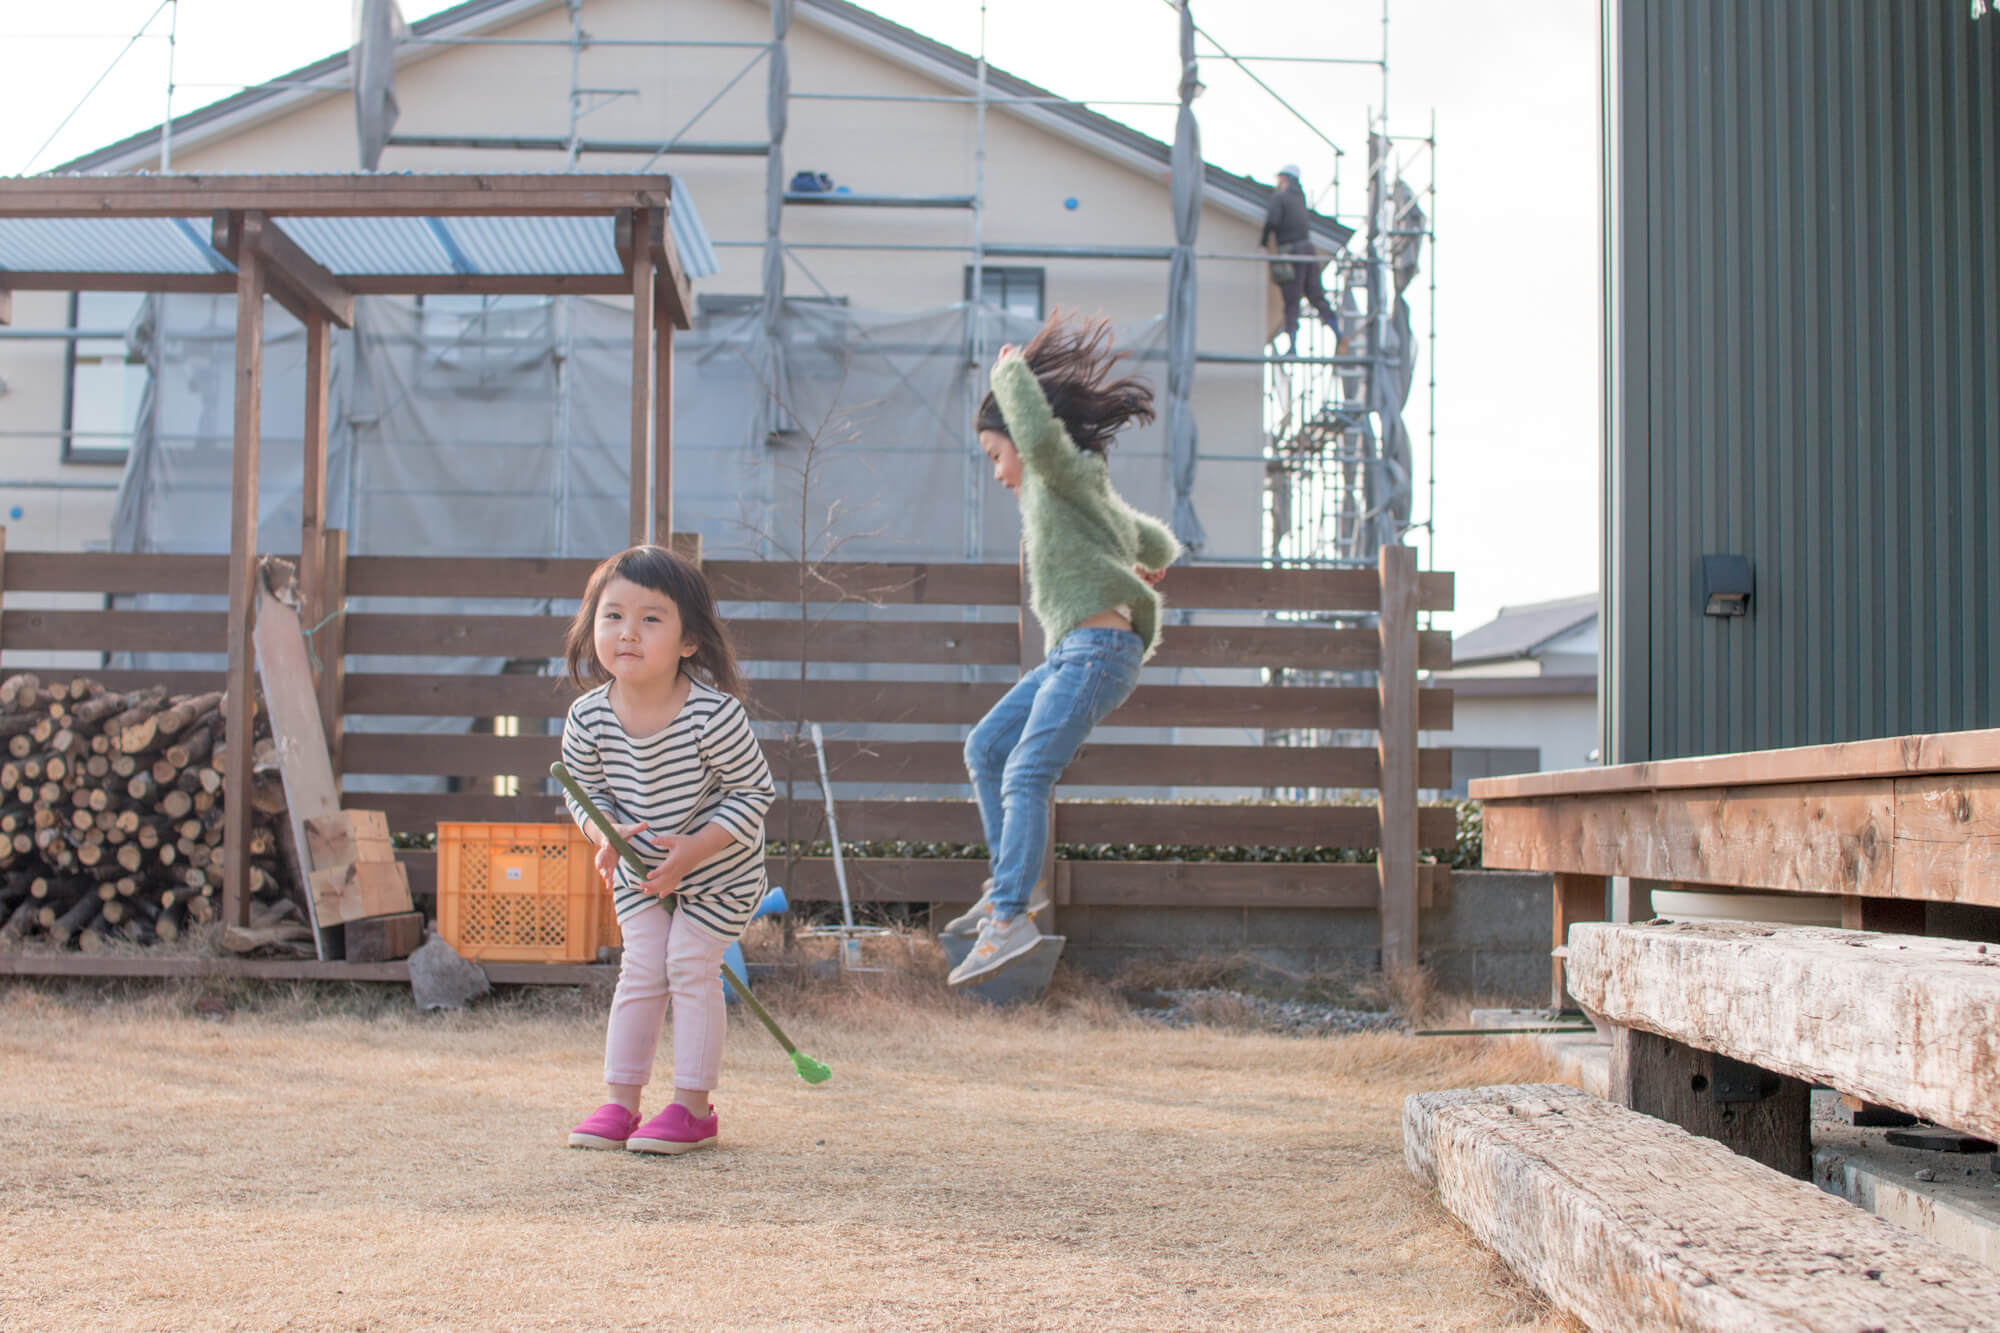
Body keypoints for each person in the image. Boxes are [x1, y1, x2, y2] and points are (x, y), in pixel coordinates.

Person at [943, 312, 1181, 987]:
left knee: (1025, 771)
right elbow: (1148, 537)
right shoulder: (1081, 489)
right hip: (1074, 653)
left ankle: (1012, 914)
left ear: (1021, 437)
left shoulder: (1052, 470)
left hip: (1097, 651)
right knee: (986, 747)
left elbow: (1040, 441)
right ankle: (1006, 887)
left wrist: (1007, 375)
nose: (997, 473)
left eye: (996, 455)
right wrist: (1148, 560)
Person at [559, 545, 775, 1155]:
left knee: (689, 963)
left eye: (651, 619)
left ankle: (692, 1109)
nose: (628, 632)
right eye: (613, 615)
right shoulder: (587, 718)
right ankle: (621, 1104)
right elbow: (585, 792)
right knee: (643, 967)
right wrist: (605, 833)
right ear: (591, 625)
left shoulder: (715, 717)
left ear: (688, 642)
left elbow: (754, 791)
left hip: (720, 870)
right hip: (640, 869)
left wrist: (694, 850)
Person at [1261, 164, 1341, 356]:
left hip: (1292, 252)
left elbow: (1273, 220)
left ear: (1286, 179)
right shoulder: (1300, 199)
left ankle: (1293, 346)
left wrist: (1263, 240)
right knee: (1315, 295)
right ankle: (1338, 333)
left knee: (1291, 299)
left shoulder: (1280, 198)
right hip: (1308, 251)